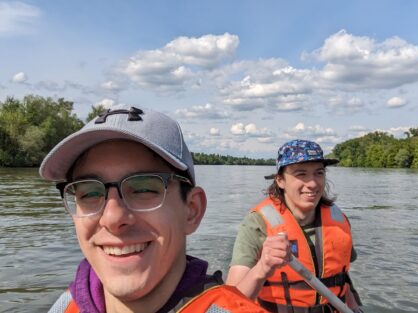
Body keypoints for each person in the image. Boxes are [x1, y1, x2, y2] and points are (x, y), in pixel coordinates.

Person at [40, 104, 267, 313]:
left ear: (191, 210)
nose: (112, 217)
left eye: (143, 189)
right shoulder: (63, 307)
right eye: (89, 192)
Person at [226, 139, 363, 313]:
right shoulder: (257, 223)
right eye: (301, 174)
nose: (312, 183)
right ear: (280, 180)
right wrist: (262, 268)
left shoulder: (339, 220)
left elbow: (341, 279)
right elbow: (229, 302)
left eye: (319, 173)